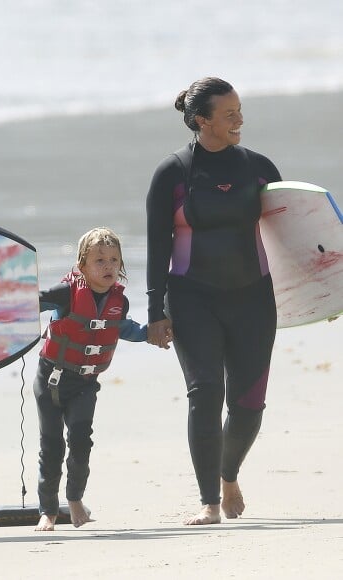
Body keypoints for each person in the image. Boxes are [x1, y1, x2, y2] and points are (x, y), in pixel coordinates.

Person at [145, 77, 282, 525]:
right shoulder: (174, 172)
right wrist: (155, 311)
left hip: (253, 298)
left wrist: (319, 291)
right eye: (229, 113)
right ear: (202, 120)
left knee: (249, 404)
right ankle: (208, 502)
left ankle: (228, 475)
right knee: (205, 392)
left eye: (240, 109)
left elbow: (293, 235)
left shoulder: (260, 168)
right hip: (192, 298)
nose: (239, 119)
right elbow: (157, 245)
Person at [33, 227, 147, 531]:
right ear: (82, 266)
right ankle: (48, 510)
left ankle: (74, 499)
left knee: (81, 442)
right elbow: (31, 303)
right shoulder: (66, 293)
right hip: (51, 380)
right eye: (99, 260)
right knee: (52, 446)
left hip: (85, 384)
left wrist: (153, 334)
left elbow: (126, 329)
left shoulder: (117, 302)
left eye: (113, 260)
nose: (108, 266)